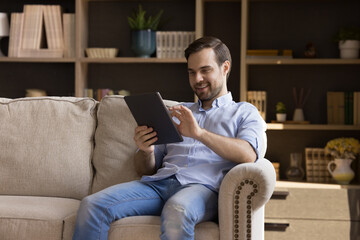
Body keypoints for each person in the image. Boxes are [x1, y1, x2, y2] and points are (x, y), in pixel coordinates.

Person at [72, 36, 266, 240]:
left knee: (177, 210)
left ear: (225, 67)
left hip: (203, 189)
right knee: (92, 205)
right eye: (191, 72)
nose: (197, 79)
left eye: (205, 70)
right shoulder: (177, 111)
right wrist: (145, 150)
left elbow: (248, 155)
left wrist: (199, 133)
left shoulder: (244, 112)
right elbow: (145, 169)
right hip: (159, 184)